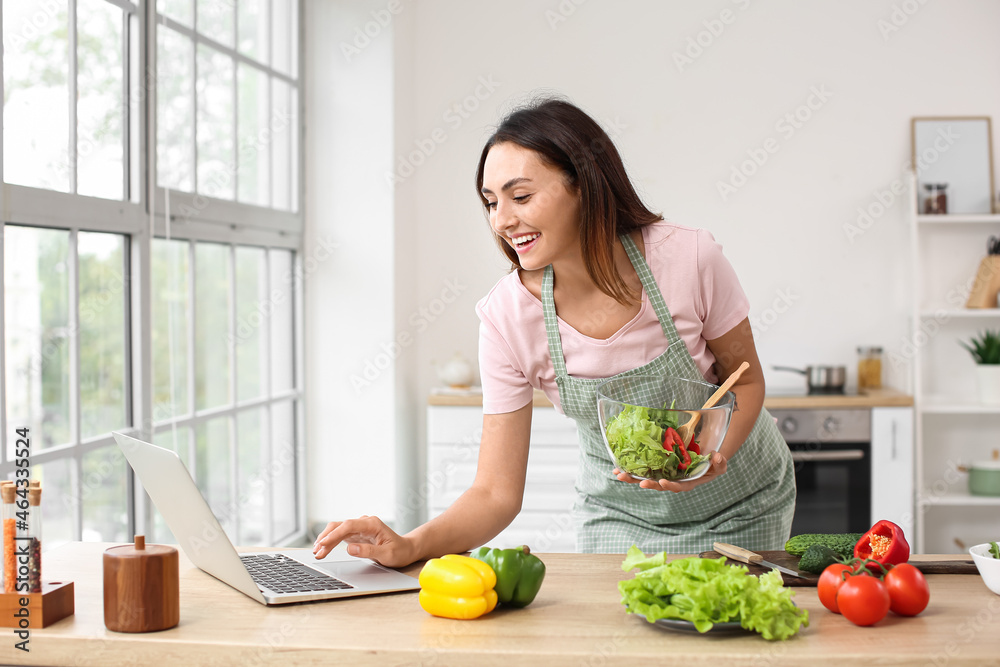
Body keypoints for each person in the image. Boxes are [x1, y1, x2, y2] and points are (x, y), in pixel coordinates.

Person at [314, 97, 795, 567]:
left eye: (520, 196)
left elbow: (746, 380)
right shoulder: (507, 318)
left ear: (585, 184)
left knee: (725, 638)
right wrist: (411, 545)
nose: (501, 220)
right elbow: (495, 493)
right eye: (490, 202)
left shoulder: (688, 260)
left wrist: (709, 462)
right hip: (620, 517)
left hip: (741, 505)